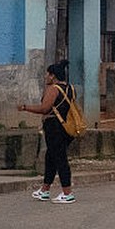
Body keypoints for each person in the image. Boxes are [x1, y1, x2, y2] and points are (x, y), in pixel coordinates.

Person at [17, 60, 78, 203]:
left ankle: (67, 192)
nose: (46, 77)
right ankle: (45, 190)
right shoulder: (70, 88)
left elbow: (44, 108)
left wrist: (25, 107)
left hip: (54, 127)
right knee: (51, 158)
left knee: (60, 159)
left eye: (48, 74)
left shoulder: (54, 89)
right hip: (66, 127)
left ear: (53, 76)